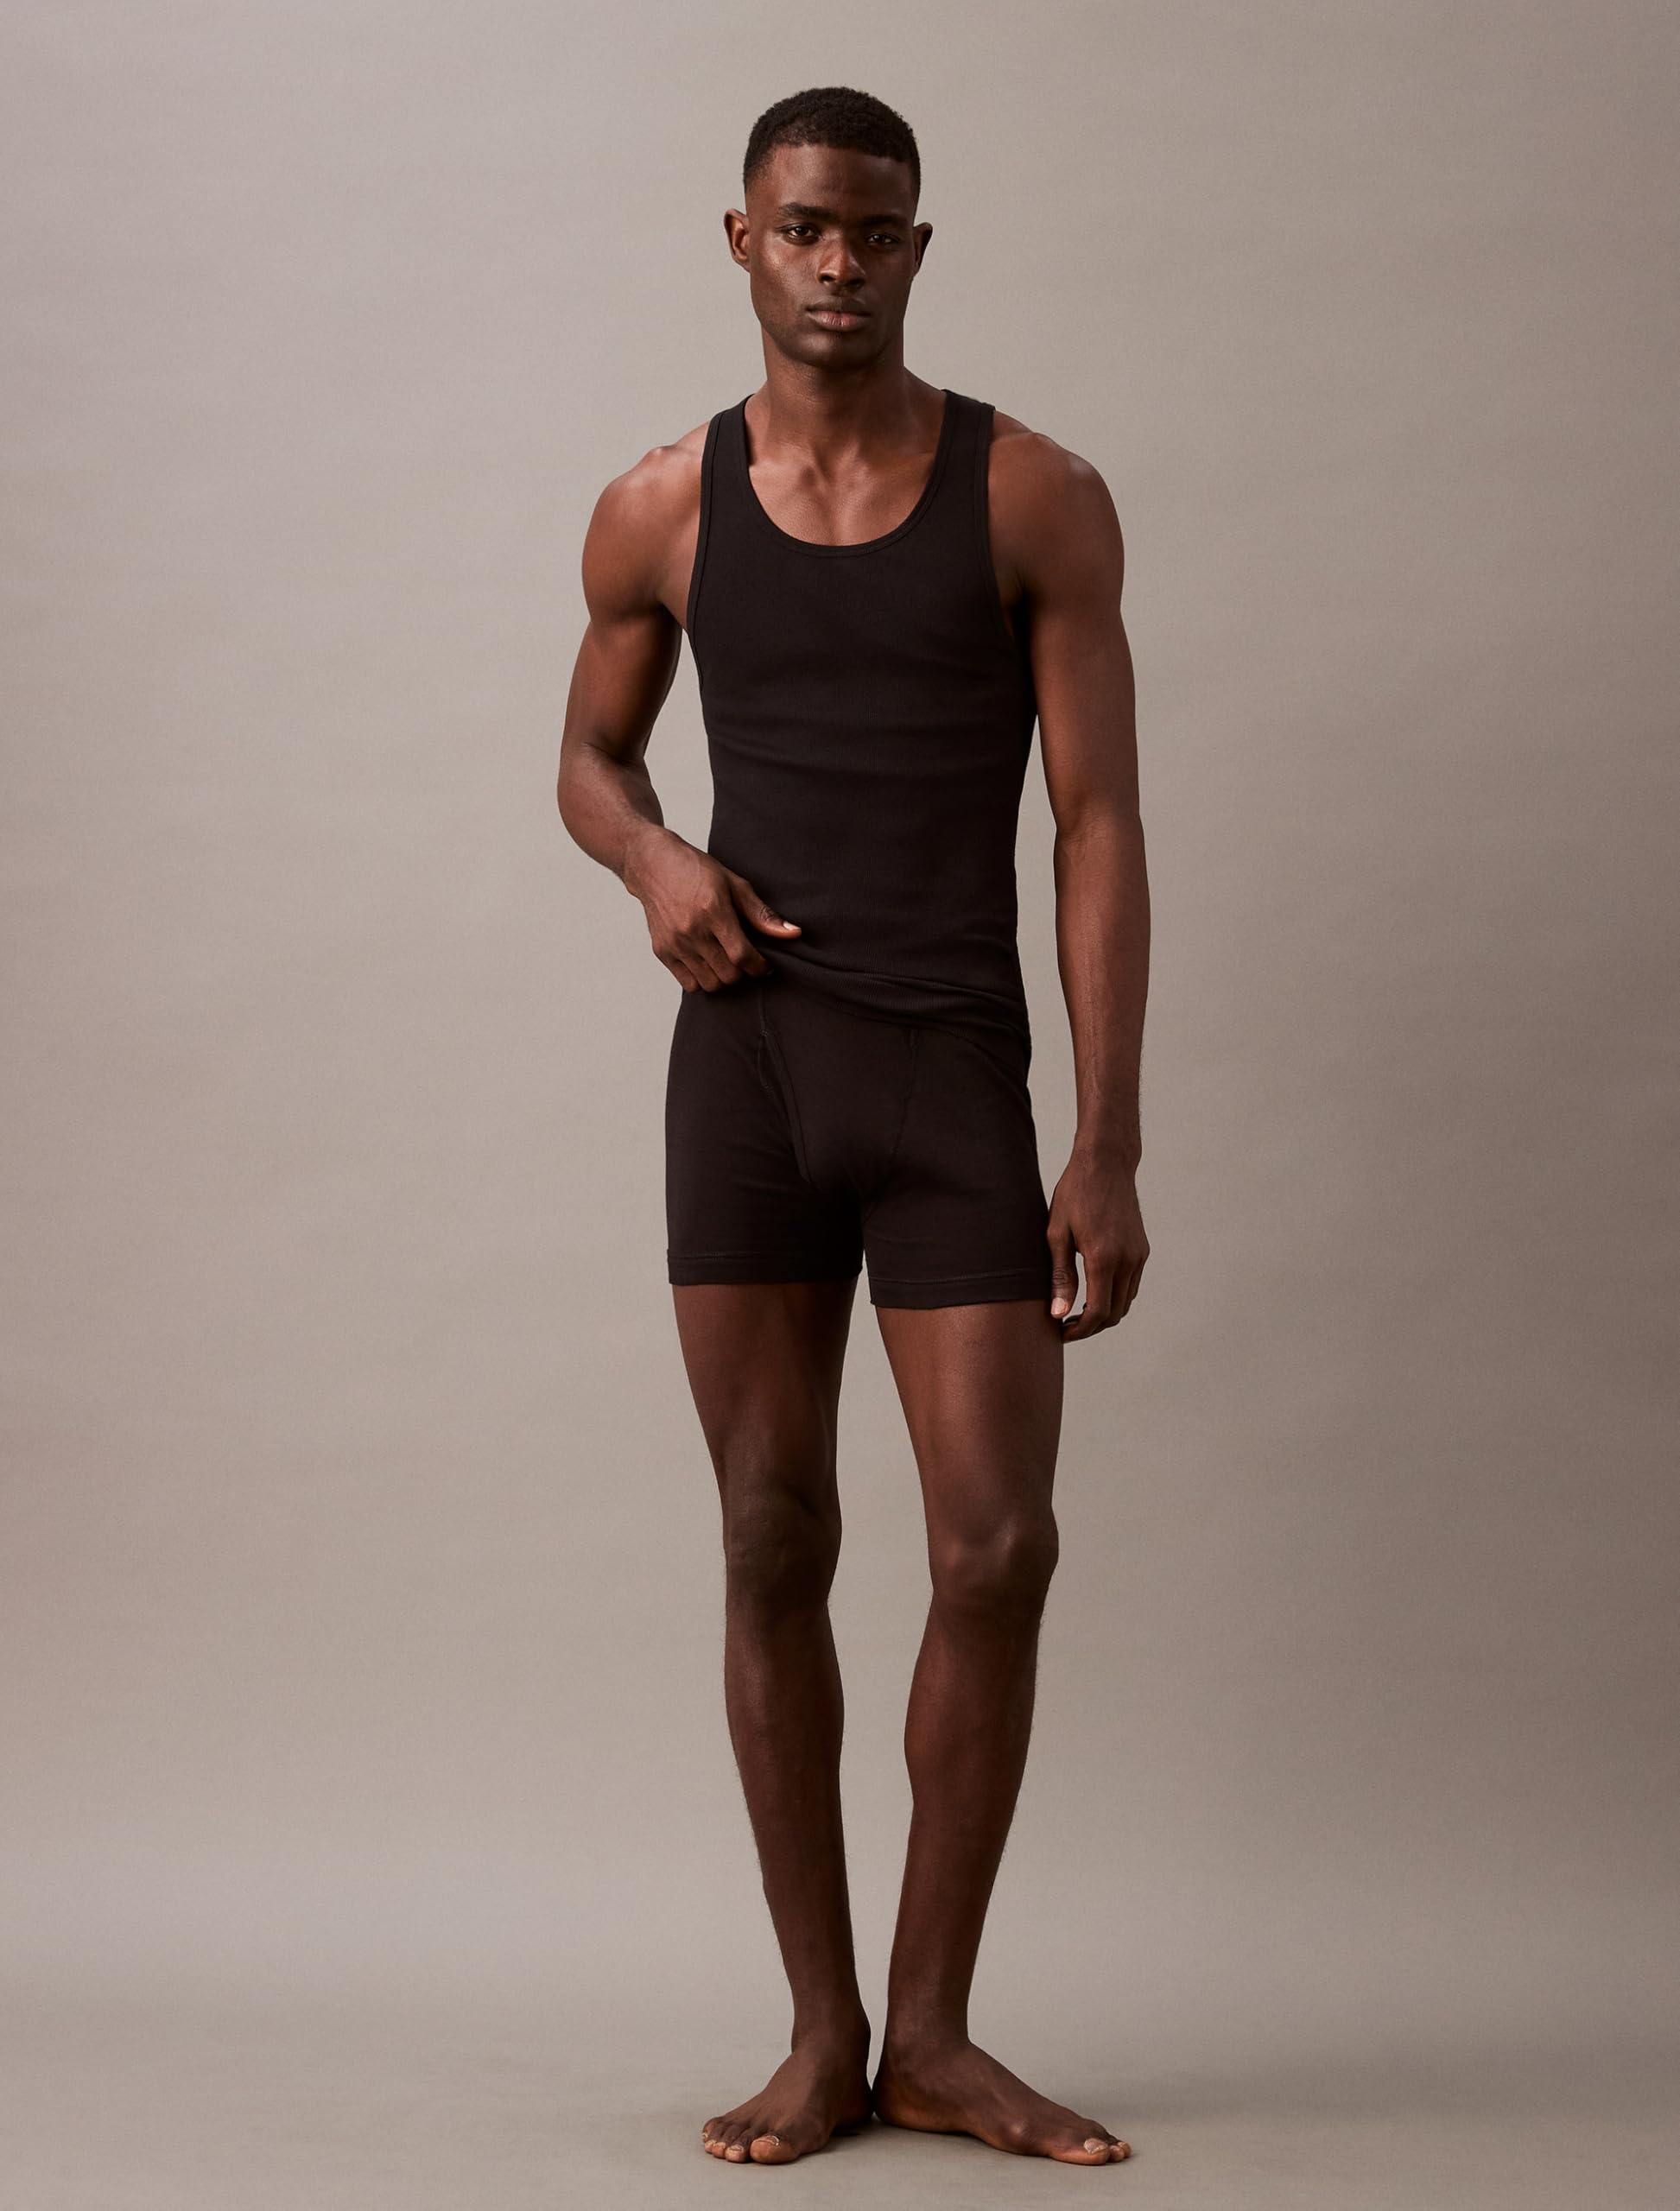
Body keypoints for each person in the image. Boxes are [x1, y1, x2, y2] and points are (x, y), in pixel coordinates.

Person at [557, 84, 1149, 2169]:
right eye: (803, 227)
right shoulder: (659, 506)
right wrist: (653, 862)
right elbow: (589, 756)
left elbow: (1096, 819)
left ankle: (937, 2031)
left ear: (916, 247)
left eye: (873, 232)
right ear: (743, 238)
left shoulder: (1031, 493)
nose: (836, 263)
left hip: (951, 1073)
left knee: (997, 1545)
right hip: (748, 1075)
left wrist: (1108, 1137)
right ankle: (822, 2033)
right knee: (769, 1533)